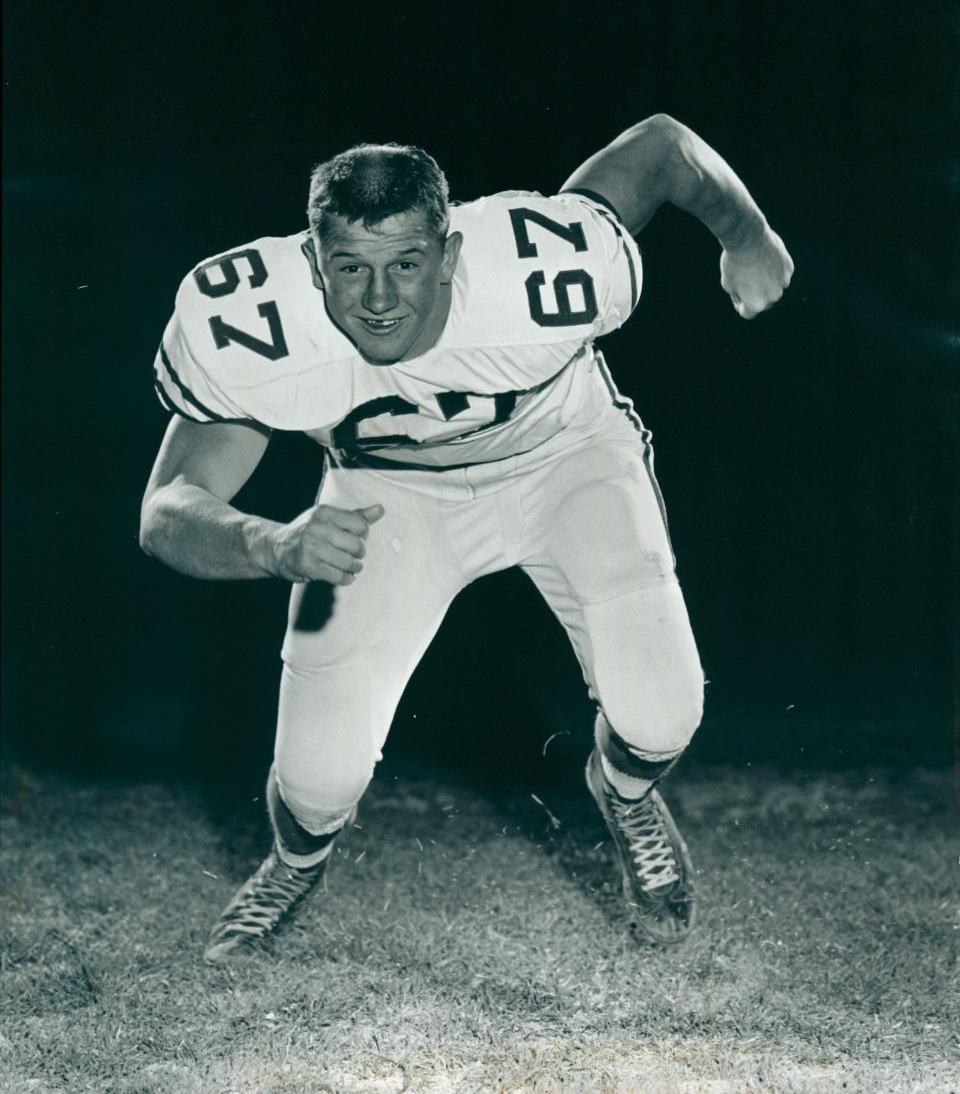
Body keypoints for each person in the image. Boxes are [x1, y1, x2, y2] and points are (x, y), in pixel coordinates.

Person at [140, 115, 793, 962]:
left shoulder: (540, 264)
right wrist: (273, 544)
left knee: (663, 714)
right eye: (351, 267)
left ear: (451, 254)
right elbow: (167, 508)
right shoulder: (260, 327)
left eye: (407, 264)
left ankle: (626, 793)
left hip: (567, 462)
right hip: (391, 499)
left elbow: (663, 148)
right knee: (317, 777)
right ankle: (293, 864)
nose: (379, 300)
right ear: (312, 261)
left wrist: (749, 236)